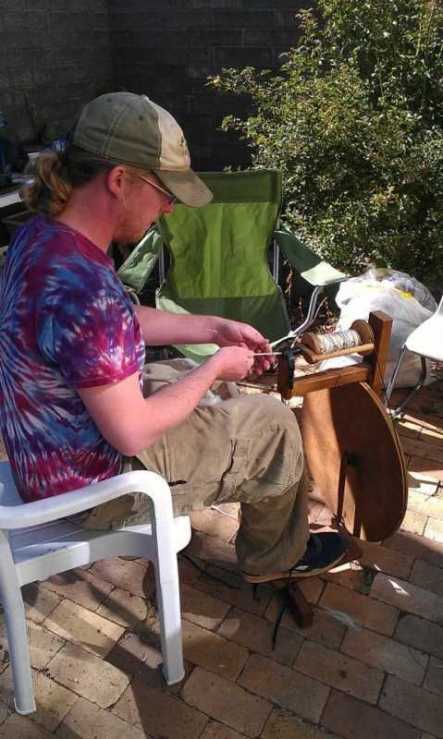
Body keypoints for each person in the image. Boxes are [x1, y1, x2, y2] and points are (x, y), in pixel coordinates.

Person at [0, 91, 346, 583]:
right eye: (165, 192)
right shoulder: (85, 285)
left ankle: (245, 479)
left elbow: (114, 321)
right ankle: (276, 560)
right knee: (273, 425)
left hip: (44, 455)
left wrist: (211, 328)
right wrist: (214, 365)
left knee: (197, 378)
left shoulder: (41, 237)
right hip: (91, 488)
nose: (168, 209)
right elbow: (132, 432)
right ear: (119, 180)